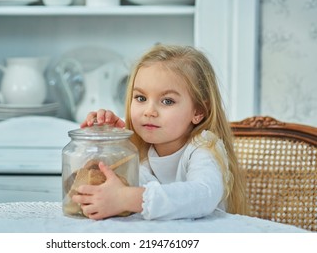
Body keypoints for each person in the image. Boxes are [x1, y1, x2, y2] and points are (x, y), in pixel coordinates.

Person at [72, 44, 249, 220]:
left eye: (167, 101)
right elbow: (105, 187)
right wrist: (107, 142)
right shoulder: (143, 150)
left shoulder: (204, 148)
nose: (149, 111)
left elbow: (203, 194)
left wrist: (127, 198)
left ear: (198, 111)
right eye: (141, 98)